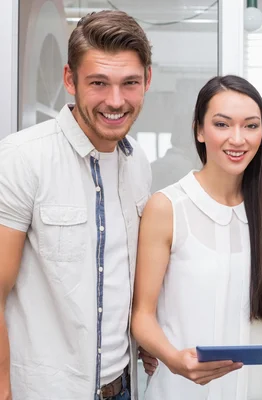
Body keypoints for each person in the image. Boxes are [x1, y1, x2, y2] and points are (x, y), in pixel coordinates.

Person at [0, 10, 153, 400]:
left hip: (122, 388)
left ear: (147, 81)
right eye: (98, 83)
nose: (115, 101)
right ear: (70, 80)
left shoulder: (138, 165)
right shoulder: (21, 158)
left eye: (129, 83)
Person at [131, 75, 262, 400]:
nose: (238, 139)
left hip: (253, 390)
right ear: (199, 130)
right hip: (180, 388)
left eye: (251, 126)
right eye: (222, 125)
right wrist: (173, 358)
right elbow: (142, 315)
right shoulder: (167, 207)